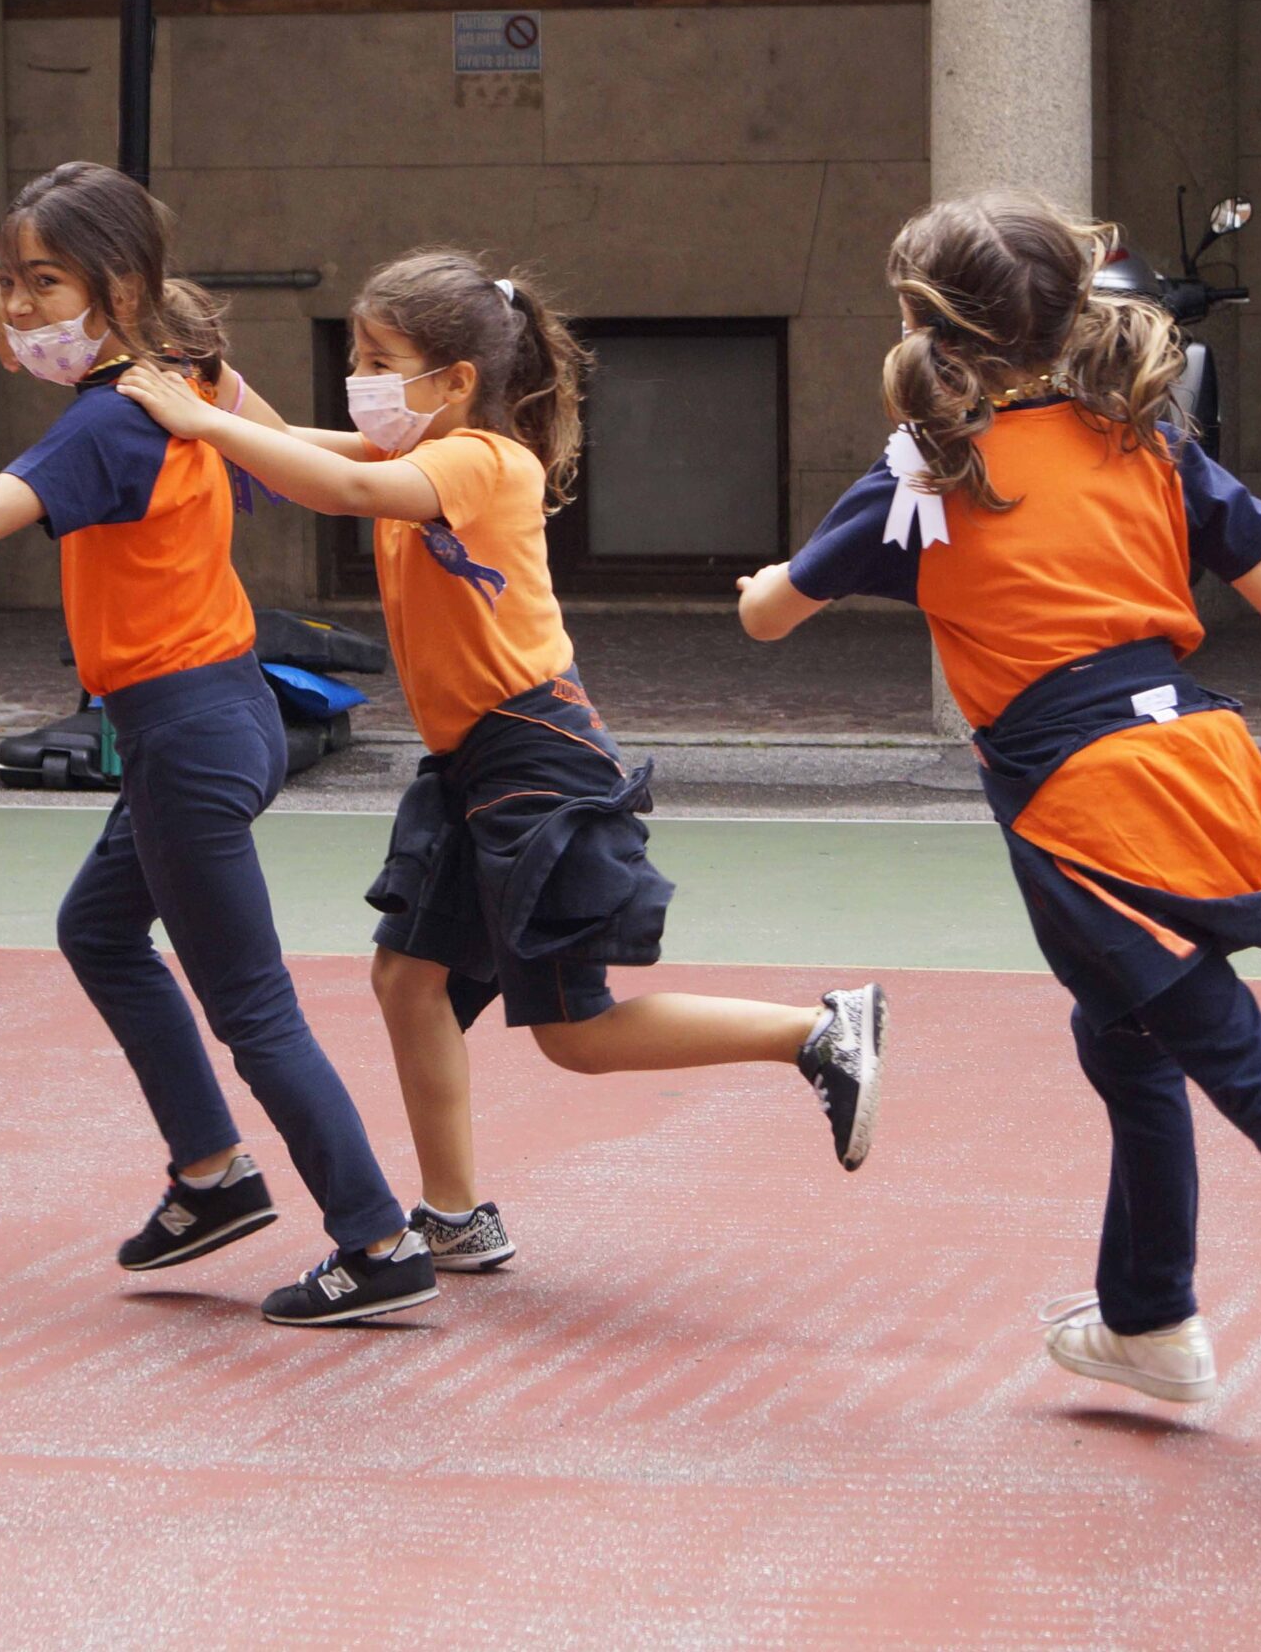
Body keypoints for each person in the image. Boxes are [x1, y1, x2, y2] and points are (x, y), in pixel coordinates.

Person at [737, 190, 1261, 1452]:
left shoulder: (927, 472)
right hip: (1202, 760)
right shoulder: (1142, 439)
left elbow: (769, 618)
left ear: (920, 320)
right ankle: (1149, 1320)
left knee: (1246, 1069)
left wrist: (763, 582)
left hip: (1086, 814)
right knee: (1123, 1038)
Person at [0, 161, 434, 1326]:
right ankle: (211, 1177)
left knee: (252, 1007)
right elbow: (288, 451)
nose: (17, 307)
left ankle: (376, 1240)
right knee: (100, 930)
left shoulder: (110, 420)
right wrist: (403, 447)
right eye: (5, 281)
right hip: (229, 714)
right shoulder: (185, 374)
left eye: (42, 283)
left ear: (115, 289)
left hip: (186, 734)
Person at [118, 247, 887, 1275]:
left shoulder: (482, 460)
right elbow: (289, 443)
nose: (359, 377)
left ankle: (815, 1033)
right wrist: (208, 383)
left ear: (456, 380)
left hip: (537, 759)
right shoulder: (416, 449)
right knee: (408, 981)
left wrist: (202, 422)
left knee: (574, 1033)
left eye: (378, 359)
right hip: (471, 766)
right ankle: (454, 1215)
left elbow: (340, 485)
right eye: (356, 355)